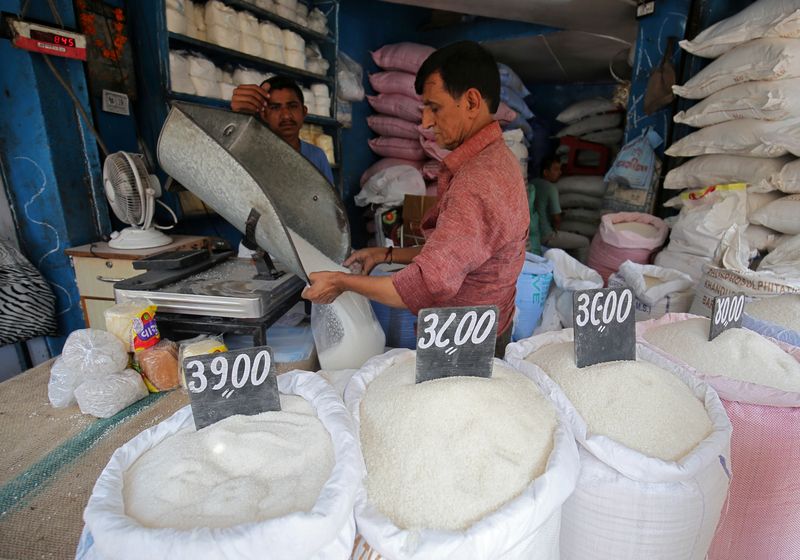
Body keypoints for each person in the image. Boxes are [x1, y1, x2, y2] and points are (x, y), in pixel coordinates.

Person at [302, 41, 529, 356]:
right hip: (485, 330)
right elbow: (457, 254)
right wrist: (385, 254)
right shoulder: (496, 159)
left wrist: (342, 283)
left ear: (472, 101)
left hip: (464, 346)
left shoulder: (477, 180)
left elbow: (424, 283)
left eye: (434, 107)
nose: (425, 122)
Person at [230, 75, 334, 184]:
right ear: (264, 115)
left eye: (292, 106)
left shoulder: (317, 155)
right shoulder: (252, 154)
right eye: (275, 107)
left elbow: (329, 199)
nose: (286, 116)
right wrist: (237, 116)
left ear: (304, 112)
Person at [532, 156, 590, 263]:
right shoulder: (551, 188)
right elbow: (557, 218)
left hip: (533, 235)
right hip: (546, 236)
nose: (560, 172)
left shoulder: (532, 183)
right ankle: (583, 271)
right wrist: (556, 229)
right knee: (584, 242)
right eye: (555, 169)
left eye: (559, 169)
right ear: (545, 172)